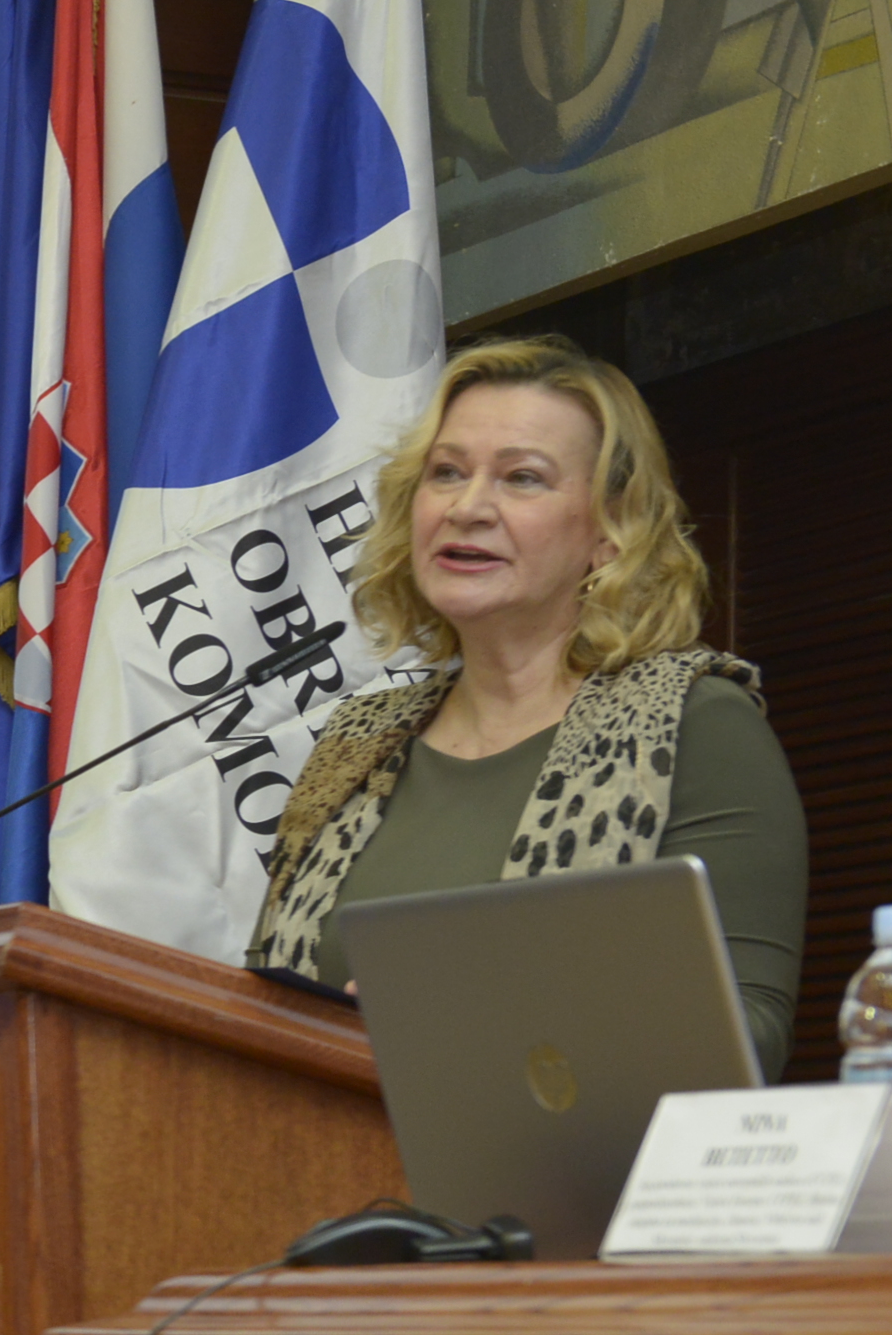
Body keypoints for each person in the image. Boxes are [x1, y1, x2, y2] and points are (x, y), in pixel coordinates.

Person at [246, 334, 806, 1071]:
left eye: (522, 479)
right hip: (318, 1143)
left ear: (609, 532)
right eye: (447, 473)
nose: (468, 507)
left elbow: (748, 1035)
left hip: (573, 1147)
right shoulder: (357, 741)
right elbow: (263, 1010)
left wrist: (483, 1024)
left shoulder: (695, 722)